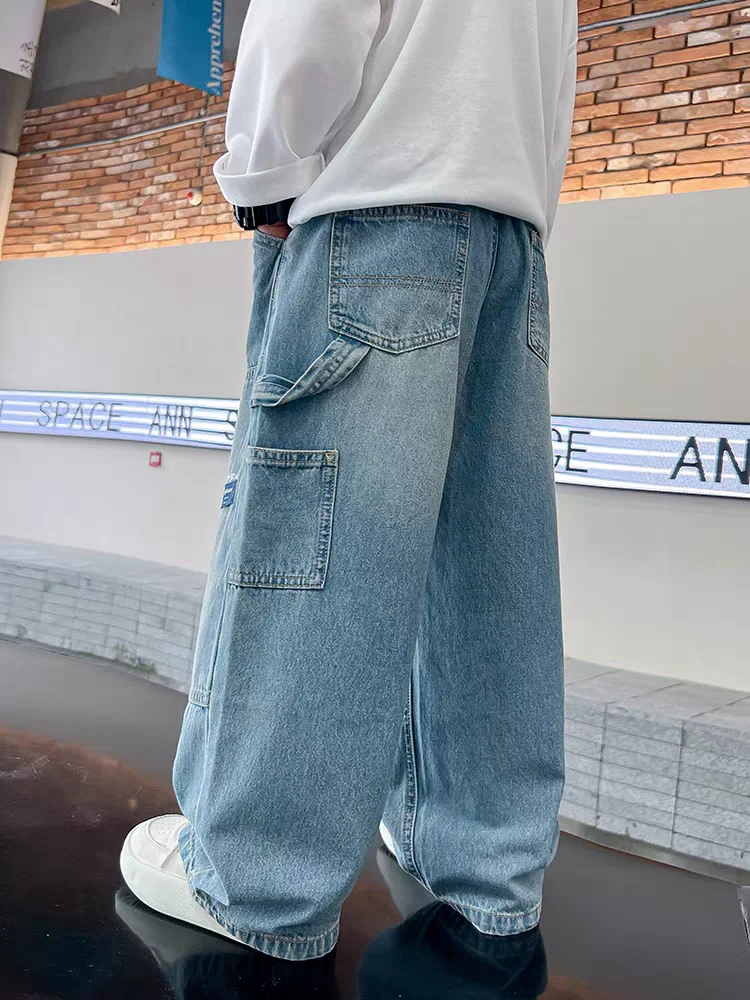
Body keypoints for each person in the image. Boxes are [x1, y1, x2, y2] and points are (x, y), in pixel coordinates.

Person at [120, 0, 578, 962]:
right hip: (511, 239)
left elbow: (312, 19)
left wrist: (262, 176)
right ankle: (486, 865)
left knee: (313, 557)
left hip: (376, 215)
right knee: (490, 569)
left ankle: (259, 884)